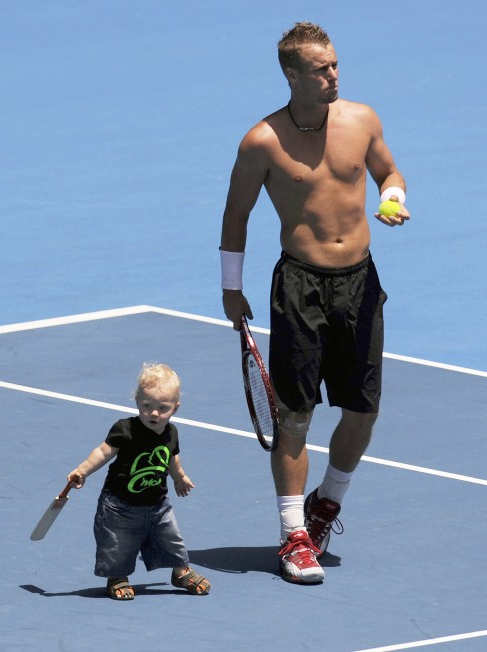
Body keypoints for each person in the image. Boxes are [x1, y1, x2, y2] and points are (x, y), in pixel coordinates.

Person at [220, 22, 410, 584]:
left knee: (363, 409)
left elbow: (389, 172)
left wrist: (393, 197)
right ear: (293, 74)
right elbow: (236, 214)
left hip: (360, 284)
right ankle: (293, 536)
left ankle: (326, 504)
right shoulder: (262, 141)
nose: (334, 75)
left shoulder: (362, 120)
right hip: (300, 288)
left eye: (335, 65)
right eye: (322, 68)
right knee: (295, 416)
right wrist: (231, 288)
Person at [67, 363, 210, 600]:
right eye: (147, 406)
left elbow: (172, 458)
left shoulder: (171, 433)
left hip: (157, 504)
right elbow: (103, 452)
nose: (154, 413)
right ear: (137, 402)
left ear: (175, 408)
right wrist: (82, 470)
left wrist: (180, 478)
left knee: (171, 538)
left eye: (162, 408)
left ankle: (180, 571)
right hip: (120, 505)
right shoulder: (125, 429)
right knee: (117, 544)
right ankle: (118, 577)